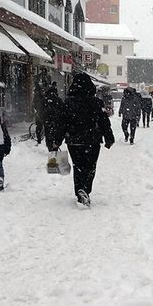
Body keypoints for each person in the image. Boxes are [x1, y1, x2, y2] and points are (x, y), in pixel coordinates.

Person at [49, 73, 115, 206]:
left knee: (78, 166)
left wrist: (56, 141)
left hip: (74, 141)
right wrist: (109, 137)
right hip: (92, 140)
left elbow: (61, 123)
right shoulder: (96, 103)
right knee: (90, 166)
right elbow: (104, 122)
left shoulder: (68, 103)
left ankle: (80, 189)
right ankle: (85, 189)